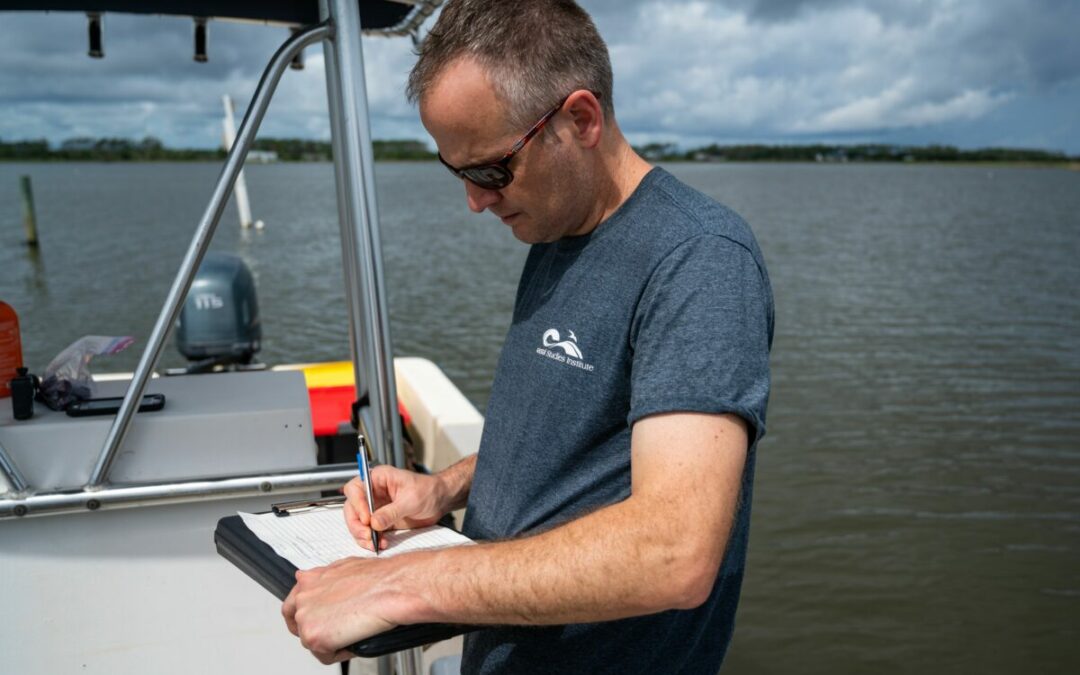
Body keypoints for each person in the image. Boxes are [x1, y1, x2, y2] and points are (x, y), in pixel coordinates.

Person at [283, 1, 774, 672]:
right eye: (459, 173)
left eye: (490, 169)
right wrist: (444, 489)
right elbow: (573, 447)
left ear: (580, 119)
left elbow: (674, 551)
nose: (475, 201)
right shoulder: (555, 230)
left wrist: (399, 585)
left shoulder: (699, 259)